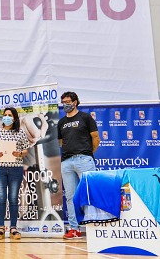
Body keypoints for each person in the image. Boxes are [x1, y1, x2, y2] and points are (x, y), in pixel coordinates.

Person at [57, 91, 100, 239]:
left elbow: (96, 138)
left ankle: (95, 228)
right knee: (70, 196)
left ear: (75, 102)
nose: (65, 104)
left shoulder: (85, 117)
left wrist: (87, 153)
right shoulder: (61, 122)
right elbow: (61, 142)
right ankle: (74, 229)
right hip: (67, 162)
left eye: (68, 101)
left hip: (84, 160)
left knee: (90, 193)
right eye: (63, 102)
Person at [0, 107, 29, 240]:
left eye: (9, 115)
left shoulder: (20, 133)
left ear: (15, 118)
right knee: (0, 198)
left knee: (13, 198)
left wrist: (20, 153)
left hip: (16, 168)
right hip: (0, 168)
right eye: (5, 115)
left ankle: (13, 228)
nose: (6, 117)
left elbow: (25, 150)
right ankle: (0, 228)